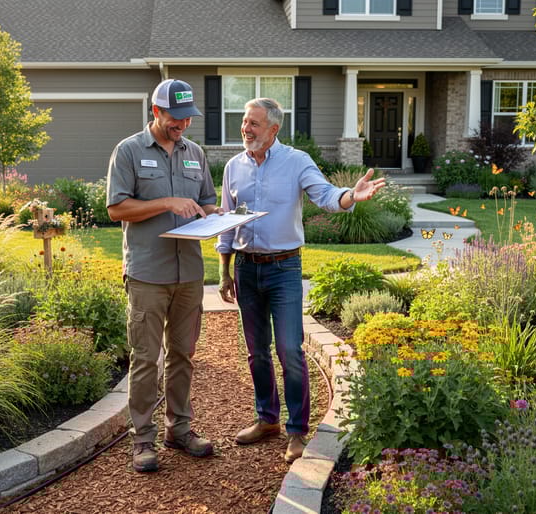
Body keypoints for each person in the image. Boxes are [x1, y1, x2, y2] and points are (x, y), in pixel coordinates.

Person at [216, 97, 385, 464]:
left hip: (284, 269)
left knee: (290, 350)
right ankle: (267, 419)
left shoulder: (296, 161)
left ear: (273, 129)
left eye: (253, 123)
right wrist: (224, 271)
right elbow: (227, 220)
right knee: (256, 351)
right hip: (246, 267)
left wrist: (350, 196)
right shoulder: (234, 166)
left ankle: (297, 430)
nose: (245, 128)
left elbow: (325, 195)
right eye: (244, 122)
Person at [107, 78, 222, 473]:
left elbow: (205, 202)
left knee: (183, 355)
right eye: (176, 117)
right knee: (145, 359)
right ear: (156, 111)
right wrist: (165, 203)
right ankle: (142, 439)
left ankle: (180, 429)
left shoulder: (195, 153)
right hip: (148, 274)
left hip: (188, 272)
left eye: (188, 118)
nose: (183, 125)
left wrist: (218, 214)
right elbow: (116, 209)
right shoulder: (129, 151)